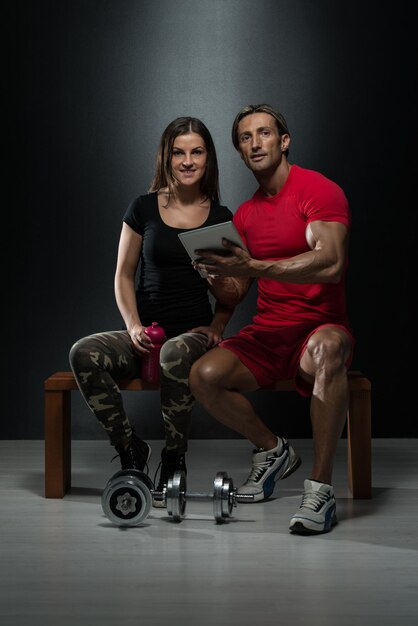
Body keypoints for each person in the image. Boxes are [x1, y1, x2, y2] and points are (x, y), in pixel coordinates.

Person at [188, 104, 355, 535]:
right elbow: (238, 291)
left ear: (284, 142)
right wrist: (215, 276)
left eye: (263, 133)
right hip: (269, 332)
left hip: (318, 328)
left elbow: (331, 263)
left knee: (329, 348)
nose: (254, 143)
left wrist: (255, 267)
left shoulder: (319, 190)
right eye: (245, 138)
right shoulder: (244, 214)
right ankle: (273, 450)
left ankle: (319, 490)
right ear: (240, 152)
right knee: (203, 375)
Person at [69, 116, 245, 505]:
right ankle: (132, 449)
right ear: (166, 158)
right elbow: (122, 275)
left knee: (174, 352)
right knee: (83, 352)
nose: (187, 161)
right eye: (178, 152)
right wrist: (131, 325)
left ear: (207, 159)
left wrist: (217, 324)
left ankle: (174, 456)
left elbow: (235, 288)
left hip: (191, 338)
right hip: (146, 335)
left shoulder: (219, 217)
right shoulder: (143, 208)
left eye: (196, 152)